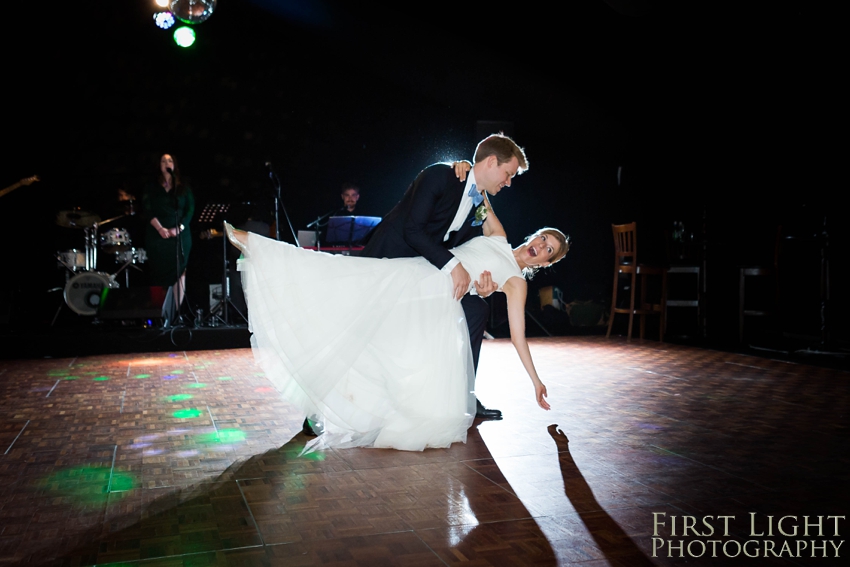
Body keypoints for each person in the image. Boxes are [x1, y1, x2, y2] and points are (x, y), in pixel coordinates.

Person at [224, 188, 569, 451]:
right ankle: (263, 251)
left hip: (433, 298)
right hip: (419, 270)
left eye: (549, 249)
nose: (542, 245)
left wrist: (535, 381)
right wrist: (464, 168)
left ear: (546, 264)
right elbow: (480, 193)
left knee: (362, 300)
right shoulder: (499, 236)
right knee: (353, 280)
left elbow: (519, 337)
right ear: (533, 235)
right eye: (543, 237)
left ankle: (261, 248)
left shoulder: (515, 283)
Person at [359, 133, 528, 421]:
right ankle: (318, 409)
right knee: (362, 333)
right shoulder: (440, 175)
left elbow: (473, 243)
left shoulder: (479, 202)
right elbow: (413, 231)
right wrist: (453, 266)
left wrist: (483, 288)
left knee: (477, 309)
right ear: (490, 161)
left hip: (424, 270)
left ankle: (466, 395)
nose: (509, 182)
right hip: (388, 260)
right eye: (508, 173)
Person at [142, 153, 195, 323]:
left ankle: (173, 316)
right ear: (159, 165)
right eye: (163, 160)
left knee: (180, 274)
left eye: (170, 160)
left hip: (179, 235)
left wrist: (178, 228)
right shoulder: (151, 187)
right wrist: (160, 229)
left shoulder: (183, 186)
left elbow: (189, 209)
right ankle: (159, 316)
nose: (167, 163)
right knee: (158, 275)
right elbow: (146, 208)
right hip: (157, 235)